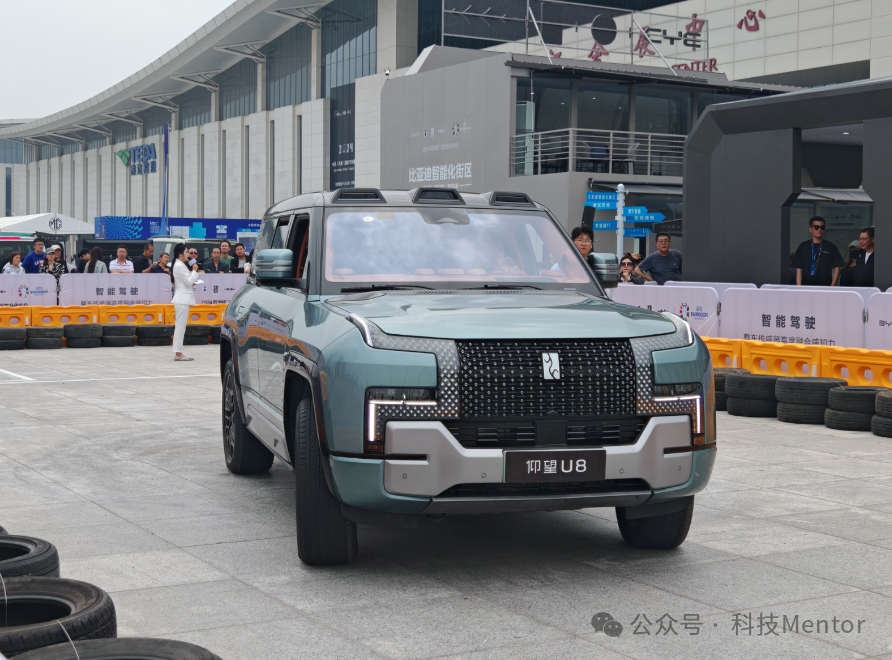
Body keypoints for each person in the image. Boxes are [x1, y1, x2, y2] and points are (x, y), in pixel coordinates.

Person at [793, 216, 844, 286]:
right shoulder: (803, 246)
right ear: (810, 229)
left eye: (822, 227)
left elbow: (837, 268)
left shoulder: (830, 246)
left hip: (825, 287)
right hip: (806, 287)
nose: (819, 229)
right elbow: (799, 269)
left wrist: (832, 287)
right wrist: (799, 288)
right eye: (816, 227)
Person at [171, 243, 200, 361]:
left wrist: (193, 276)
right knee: (180, 327)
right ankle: (178, 353)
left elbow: (187, 282)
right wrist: (194, 270)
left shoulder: (180, 265)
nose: (189, 254)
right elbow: (189, 281)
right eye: (187, 252)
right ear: (180, 254)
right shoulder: (179, 265)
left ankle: (178, 352)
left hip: (183, 298)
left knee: (181, 327)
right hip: (182, 299)